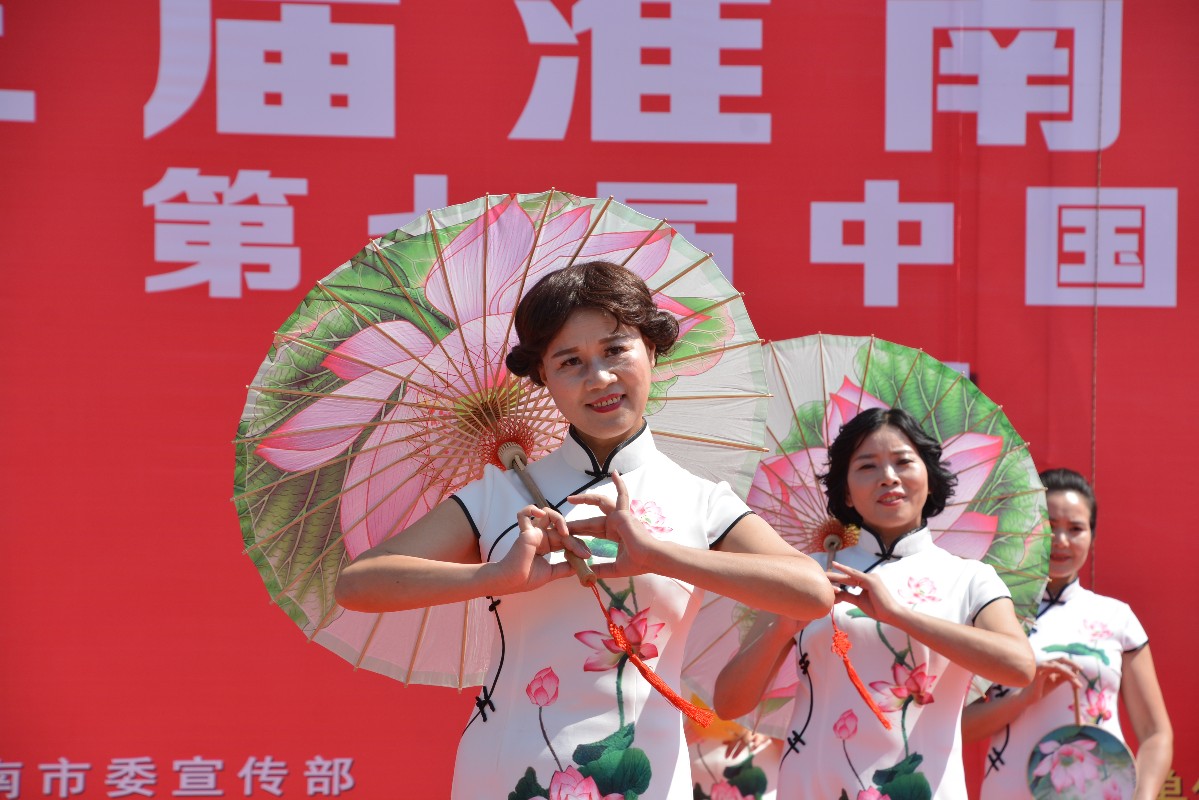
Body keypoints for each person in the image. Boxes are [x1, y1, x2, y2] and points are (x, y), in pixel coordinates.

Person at [335, 261, 834, 800]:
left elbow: (811, 592)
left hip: (647, 776)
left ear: (651, 351)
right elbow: (358, 584)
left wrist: (658, 555)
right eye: (570, 361)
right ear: (542, 376)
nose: (598, 378)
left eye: (616, 349)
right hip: (505, 769)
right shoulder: (499, 494)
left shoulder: (702, 501)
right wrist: (496, 576)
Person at [713, 407, 1036, 800]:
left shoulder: (970, 578)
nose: (888, 476)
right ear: (846, 492)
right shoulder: (807, 573)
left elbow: (1019, 666)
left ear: (929, 478)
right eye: (867, 466)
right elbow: (729, 703)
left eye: (903, 462)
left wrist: (897, 615)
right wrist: (783, 626)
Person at [962, 468, 1173, 800]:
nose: (1060, 540)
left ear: (1092, 535)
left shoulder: (1117, 617)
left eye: (1075, 528)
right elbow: (959, 726)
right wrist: (1024, 698)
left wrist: (1143, 796)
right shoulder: (993, 615)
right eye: (1048, 526)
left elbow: (1155, 732)